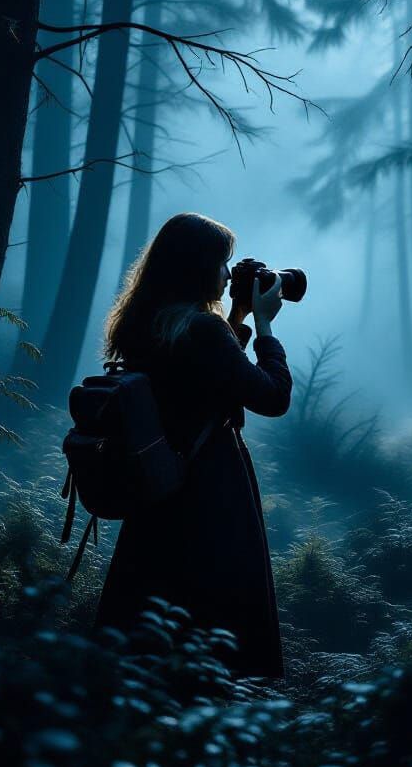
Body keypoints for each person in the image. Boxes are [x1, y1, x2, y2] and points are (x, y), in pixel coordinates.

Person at [94, 212, 292, 679]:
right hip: (209, 488)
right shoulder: (201, 331)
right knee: (210, 604)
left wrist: (236, 318)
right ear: (197, 266)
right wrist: (265, 328)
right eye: (222, 264)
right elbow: (271, 396)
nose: (228, 275)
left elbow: (210, 380)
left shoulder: (148, 325)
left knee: (155, 599)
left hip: (161, 481)